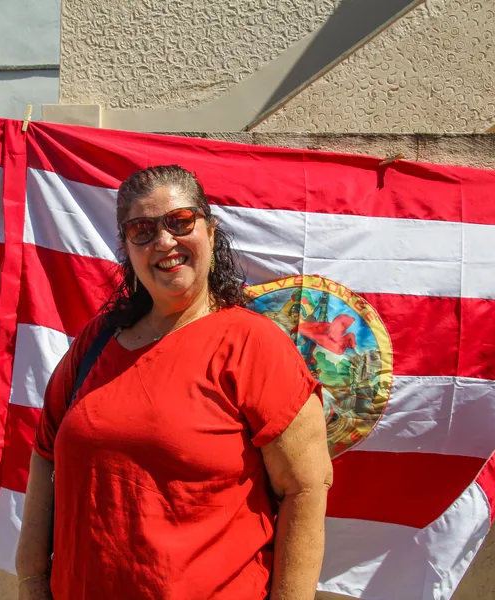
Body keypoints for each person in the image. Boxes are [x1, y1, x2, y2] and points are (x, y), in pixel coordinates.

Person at [16, 165, 333, 600]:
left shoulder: (251, 344)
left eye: (180, 222)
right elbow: (45, 454)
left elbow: (306, 488)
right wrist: (32, 580)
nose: (164, 242)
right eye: (142, 230)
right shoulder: (97, 340)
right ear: (127, 247)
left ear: (210, 228)